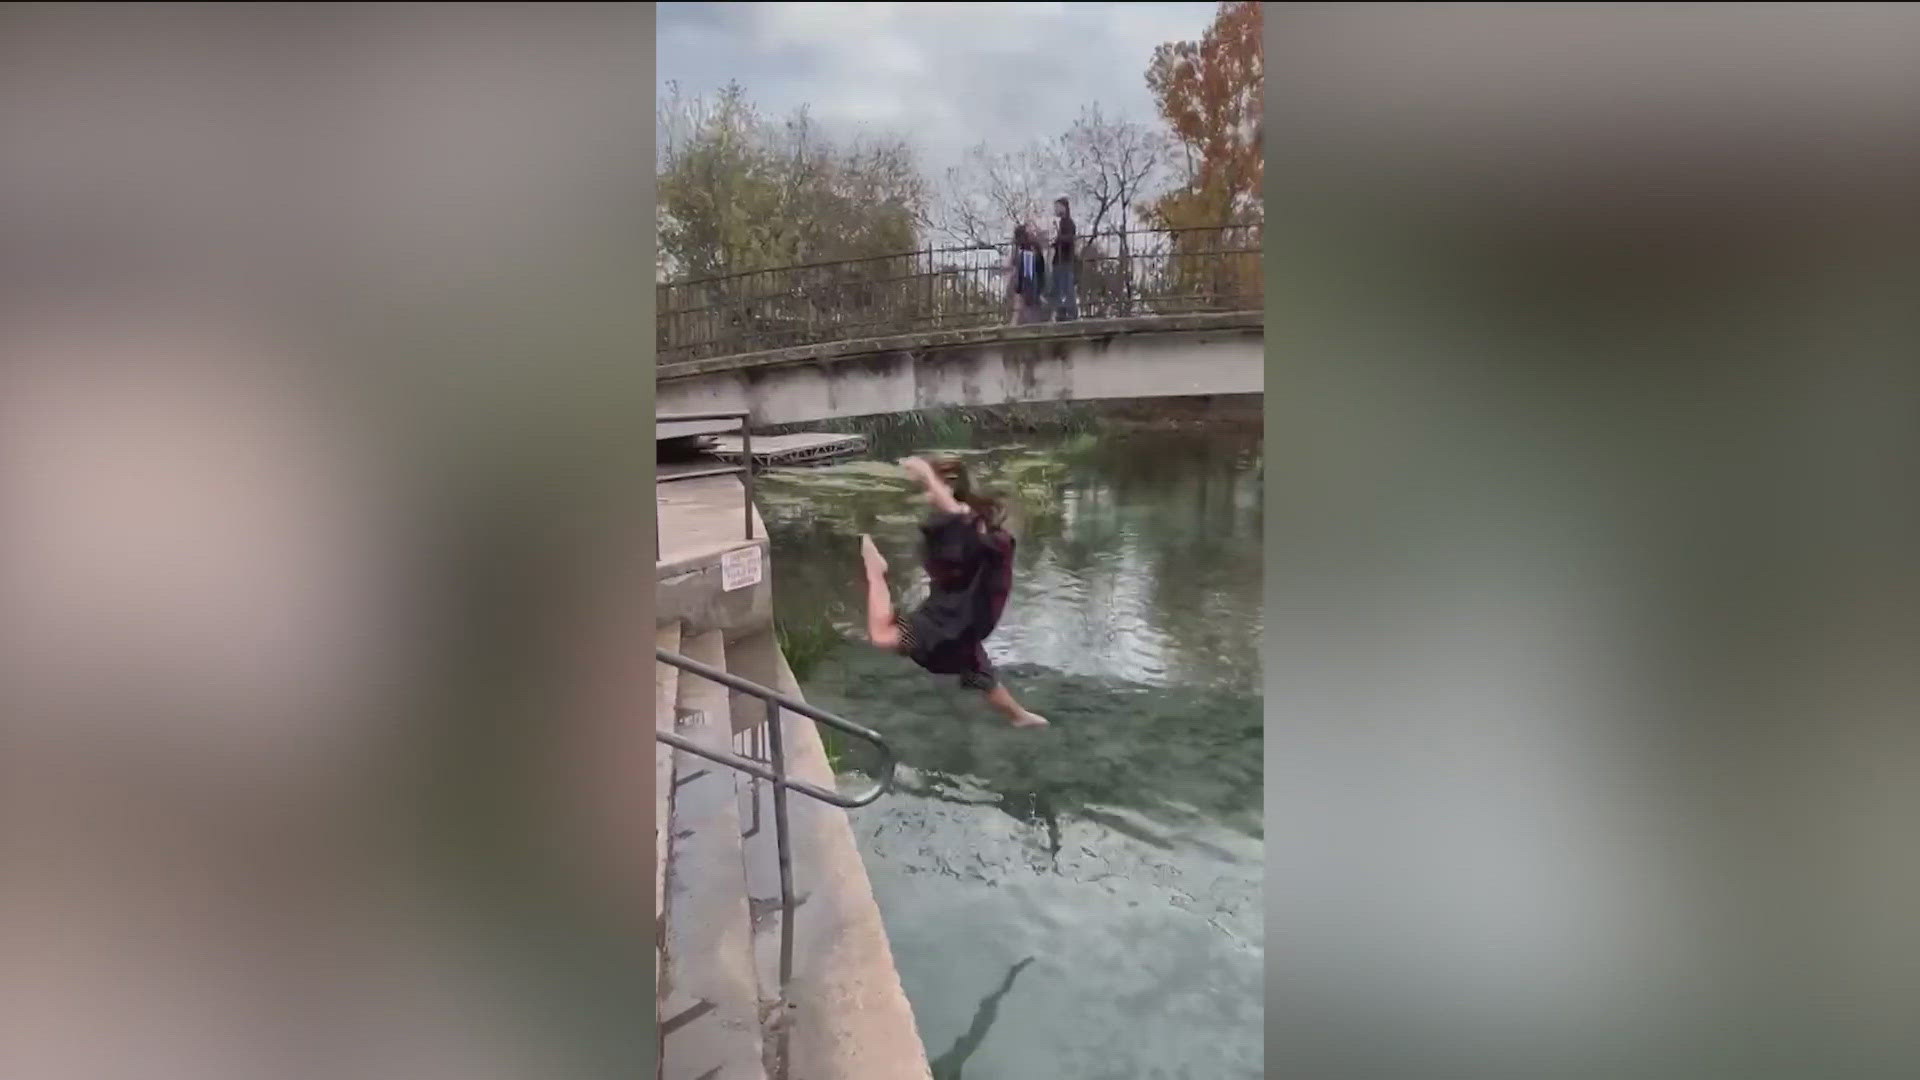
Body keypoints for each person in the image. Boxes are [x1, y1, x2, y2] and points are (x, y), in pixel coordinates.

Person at [858, 456, 1049, 728]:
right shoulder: (960, 522)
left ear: (948, 487)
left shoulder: (969, 522)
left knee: (882, 635)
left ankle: (875, 570)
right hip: (960, 616)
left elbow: (960, 518)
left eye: (931, 489)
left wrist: (927, 475)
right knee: (974, 667)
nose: (927, 495)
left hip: (955, 620)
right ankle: (1019, 716)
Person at [1006, 224, 1047, 325]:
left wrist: (1021, 288)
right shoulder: (1030, 248)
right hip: (1031, 285)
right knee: (1025, 310)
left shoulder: (1028, 250)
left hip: (1029, 287)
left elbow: (1028, 273)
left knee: (1029, 311)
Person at [1049, 196, 1078, 321]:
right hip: (1060, 259)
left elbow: (1070, 238)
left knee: (1066, 287)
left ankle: (1070, 312)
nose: (1055, 209)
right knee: (1060, 287)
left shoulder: (1068, 222)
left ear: (1064, 207)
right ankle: (1061, 311)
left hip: (1064, 260)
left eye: (1057, 207)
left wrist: (1059, 240)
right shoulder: (1062, 223)